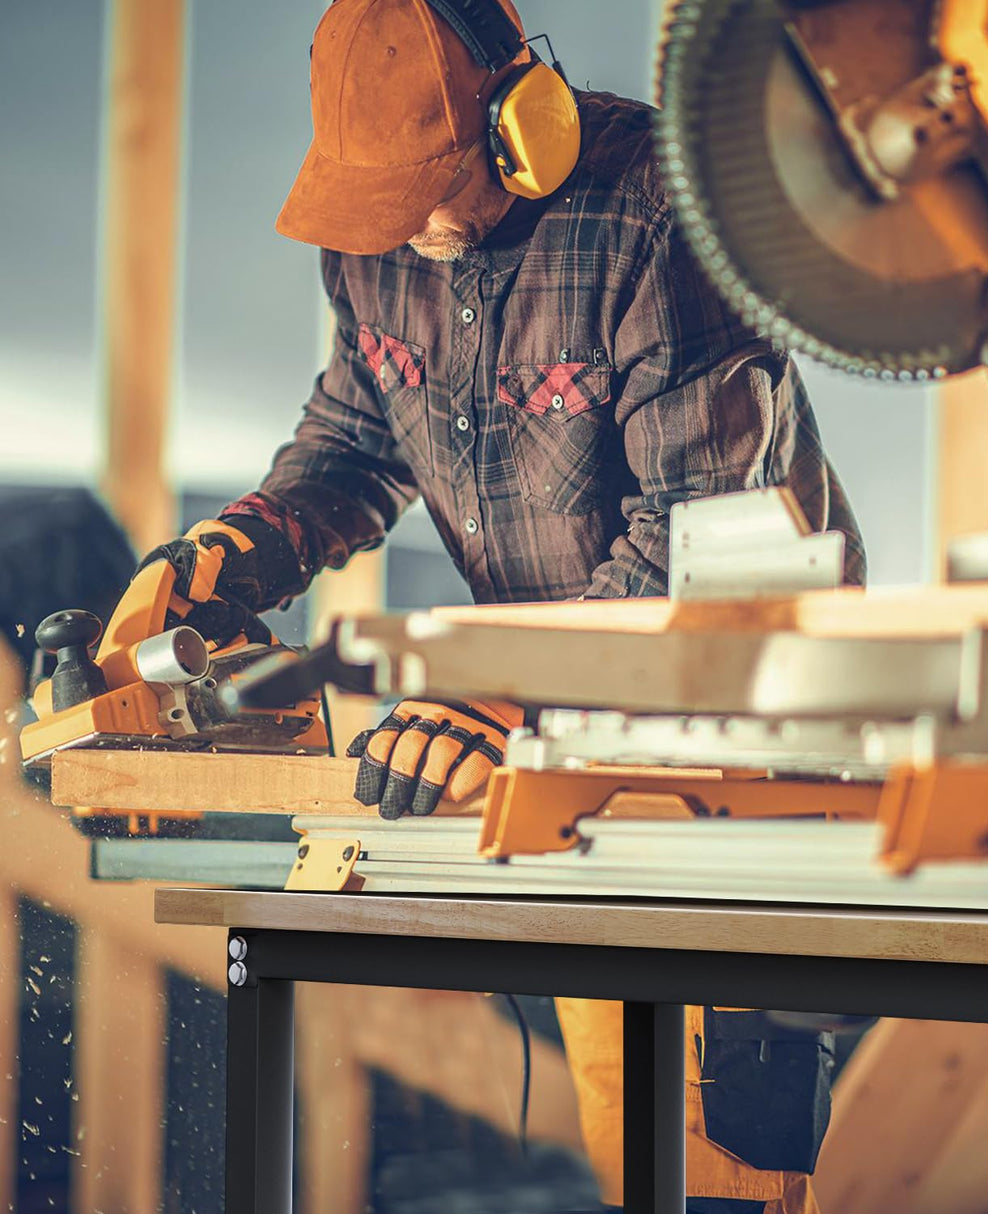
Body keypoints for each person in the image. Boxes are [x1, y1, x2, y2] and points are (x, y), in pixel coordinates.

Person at [138, 2, 865, 1210]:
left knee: (715, 1134)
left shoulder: (656, 217)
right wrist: (235, 552)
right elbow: (354, 438)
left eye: (434, 189)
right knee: (618, 1105)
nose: (411, 231)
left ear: (524, 119)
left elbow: (699, 547)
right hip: (549, 732)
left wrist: (502, 693)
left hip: (740, 725)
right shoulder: (374, 236)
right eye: (380, 204)